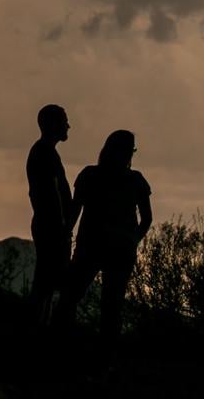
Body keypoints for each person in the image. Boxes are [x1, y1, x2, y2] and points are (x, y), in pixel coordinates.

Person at [55, 129, 152, 342]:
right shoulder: (132, 180)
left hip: (97, 246)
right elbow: (146, 218)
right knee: (106, 304)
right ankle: (96, 354)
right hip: (107, 248)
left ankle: (62, 343)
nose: (129, 154)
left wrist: (65, 235)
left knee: (76, 297)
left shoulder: (91, 175)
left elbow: (74, 210)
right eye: (129, 150)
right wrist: (132, 239)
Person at [26, 103, 73, 326]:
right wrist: (63, 228)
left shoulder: (45, 152)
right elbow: (51, 194)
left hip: (51, 226)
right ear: (54, 124)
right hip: (52, 227)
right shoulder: (44, 153)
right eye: (64, 121)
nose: (68, 126)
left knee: (46, 282)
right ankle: (39, 329)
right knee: (46, 283)